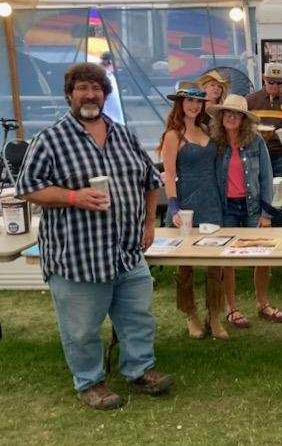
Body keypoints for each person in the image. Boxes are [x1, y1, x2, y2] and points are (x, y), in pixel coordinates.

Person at [16, 62, 172, 410]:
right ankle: (91, 382)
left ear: (105, 93)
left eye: (96, 88)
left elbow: (151, 181)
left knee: (138, 319)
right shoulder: (51, 139)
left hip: (127, 252)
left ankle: (139, 370)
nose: (90, 95)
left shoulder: (123, 134)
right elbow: (27, 188)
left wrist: (149, 224)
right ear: (69, 94)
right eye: (82, 88)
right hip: (78, 257)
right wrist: (73, 196)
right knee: (82, 329)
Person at [208, 94, 282, 327]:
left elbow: (266, 177)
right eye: (228, 113)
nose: (232, 117)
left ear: (244, 119)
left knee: (262, 256)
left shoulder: (256, 141)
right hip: (226, 208)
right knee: (227, 260)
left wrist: (266, 214)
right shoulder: (214, 144)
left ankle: (263, 304)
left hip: (253, 207)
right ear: (221, 117)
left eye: (237, 114)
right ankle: (232, 308)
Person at [158, 84, 226, 340]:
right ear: (180, 103)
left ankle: (215, 315)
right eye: (188, 101)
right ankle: (190, 314)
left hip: (212, 201)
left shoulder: (207, 129)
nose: (194, 106)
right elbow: (169, 175)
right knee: (185, 264)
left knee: (214, 262)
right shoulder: (173, 136)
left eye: (198, 102)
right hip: (186, 203)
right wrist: (173, 205)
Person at [246, 63, 282, 181]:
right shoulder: (250, 99)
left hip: (280, 152)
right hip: (256, 151)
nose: (275, 86)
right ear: (264, 80)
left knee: (279, 188)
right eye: (271, 82)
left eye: (279, 83)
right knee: (257, 185)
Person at [99, 51, 124, 124]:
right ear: (110, 62)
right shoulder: (103, 78)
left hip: (116, 121)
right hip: (109, 121)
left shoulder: (111, 76)